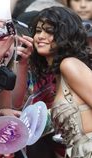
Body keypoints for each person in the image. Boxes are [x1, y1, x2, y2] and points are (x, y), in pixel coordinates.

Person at [29, 6, 92, 158]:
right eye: (38, 31)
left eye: (49, 31)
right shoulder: (58, 73)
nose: (41, 36)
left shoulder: (69, 64)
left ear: (66, 35)